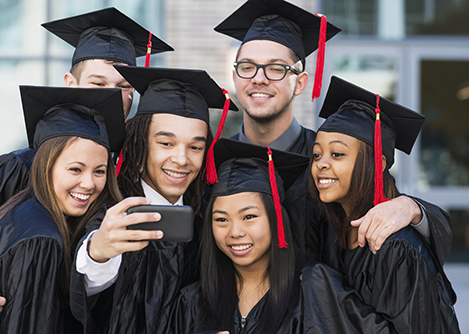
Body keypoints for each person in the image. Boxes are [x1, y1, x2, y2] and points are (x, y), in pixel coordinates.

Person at [0, 8, 173, 326]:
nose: (111, 95)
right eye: (97, 83)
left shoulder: (137, 175)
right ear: (70, 82)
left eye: (123, 86)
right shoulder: (16, 169)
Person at [215, 0, 453, 269]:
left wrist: (410, 208)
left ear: (301, 83)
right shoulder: (212, 166)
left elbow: (411, 231)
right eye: (247, 67)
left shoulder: (333, 163)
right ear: (234, 78)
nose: (259, 78)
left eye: (276, 68)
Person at [69, 67, 237, 334]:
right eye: (166, 144)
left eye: (195, 147)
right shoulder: (108, 211)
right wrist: (97, 252)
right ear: (139, 144)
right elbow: (83, 298)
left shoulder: (210, 221)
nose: (182, 160)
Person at [302, 76, 460, 333]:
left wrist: (320, 282)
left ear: (378, 163)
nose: (321, 164)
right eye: (317, 154)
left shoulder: (396, 248)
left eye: (337, 154)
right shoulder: (335, 228)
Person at [0, 86, 126, 333]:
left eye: (100, 171)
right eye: (75, 169)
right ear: (45, 166)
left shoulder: (18, 213)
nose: (88, 183)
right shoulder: (42, 240)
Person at [167, 138, 307, 334]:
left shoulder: (307, 297)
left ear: (276, 220)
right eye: (221, 220)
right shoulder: (192, 302)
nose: (235, 232)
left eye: (249, 216)